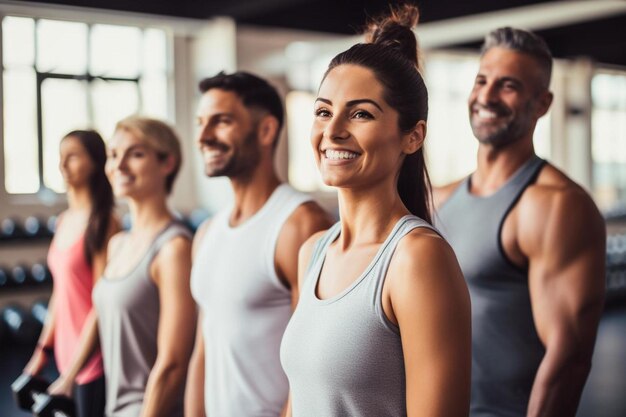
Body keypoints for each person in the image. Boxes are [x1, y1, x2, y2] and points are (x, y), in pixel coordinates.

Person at [279, 5, 471, 417]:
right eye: (323, 111)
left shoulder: (417, 258)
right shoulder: (312, 251)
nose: (332, 131)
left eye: (361, 113)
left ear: (412, 136)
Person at [435, 27, 606, 417]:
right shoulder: (441, 199)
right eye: (482, 80)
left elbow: (569, 357)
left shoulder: (557, 206)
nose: (487, 96)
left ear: (542, 103)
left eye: (507, 85)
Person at [184, 72, 332, 417]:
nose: (203, 137)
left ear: (266, 130)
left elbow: (312, 367)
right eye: (200, 123)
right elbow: (203, 350)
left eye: (220, 122)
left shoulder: (301, 224)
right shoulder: (207, 232)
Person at [92, 116, 196, 417]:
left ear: (167, 163)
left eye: (135, 154)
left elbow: (172, 364)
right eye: (113, 155)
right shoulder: (117, 244)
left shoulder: (174, 249)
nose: (119, 165)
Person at [23, 130, 118, 417]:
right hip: (65, 355)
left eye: (73, 156)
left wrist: (72, 374)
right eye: (60, 156)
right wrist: (41, 354)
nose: (63, 164)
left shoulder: (105, 223)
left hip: (93, 361)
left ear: (95, 162)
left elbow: (102, 303)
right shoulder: (64, 220)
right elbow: (60, 294)